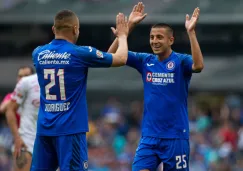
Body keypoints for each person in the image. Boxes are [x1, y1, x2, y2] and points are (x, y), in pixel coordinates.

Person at [108, 2, 204, 171]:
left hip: (175, 137)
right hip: (149, 138)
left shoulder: (181, 61)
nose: (154, 41)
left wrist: (191, 33)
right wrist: (127, 29)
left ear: (171, 40)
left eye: (159, 37)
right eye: (152, 37)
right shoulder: (145, 60)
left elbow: (198, 66)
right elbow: (111, 56)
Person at [30, 10, 129, 171]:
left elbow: (103, 57)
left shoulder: (38, 53)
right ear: (75, 29)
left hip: (44, 130)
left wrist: (118, 38)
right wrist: (123, 36)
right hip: (70, 130)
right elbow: (121, 58)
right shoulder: (79, 53)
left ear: (54, 29)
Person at [6, 73, 39, 171]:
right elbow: (8, 110)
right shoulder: (26, 83)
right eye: (19, 75)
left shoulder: (61, 81)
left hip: (50, 141)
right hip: (26, 141)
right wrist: (17, 138)